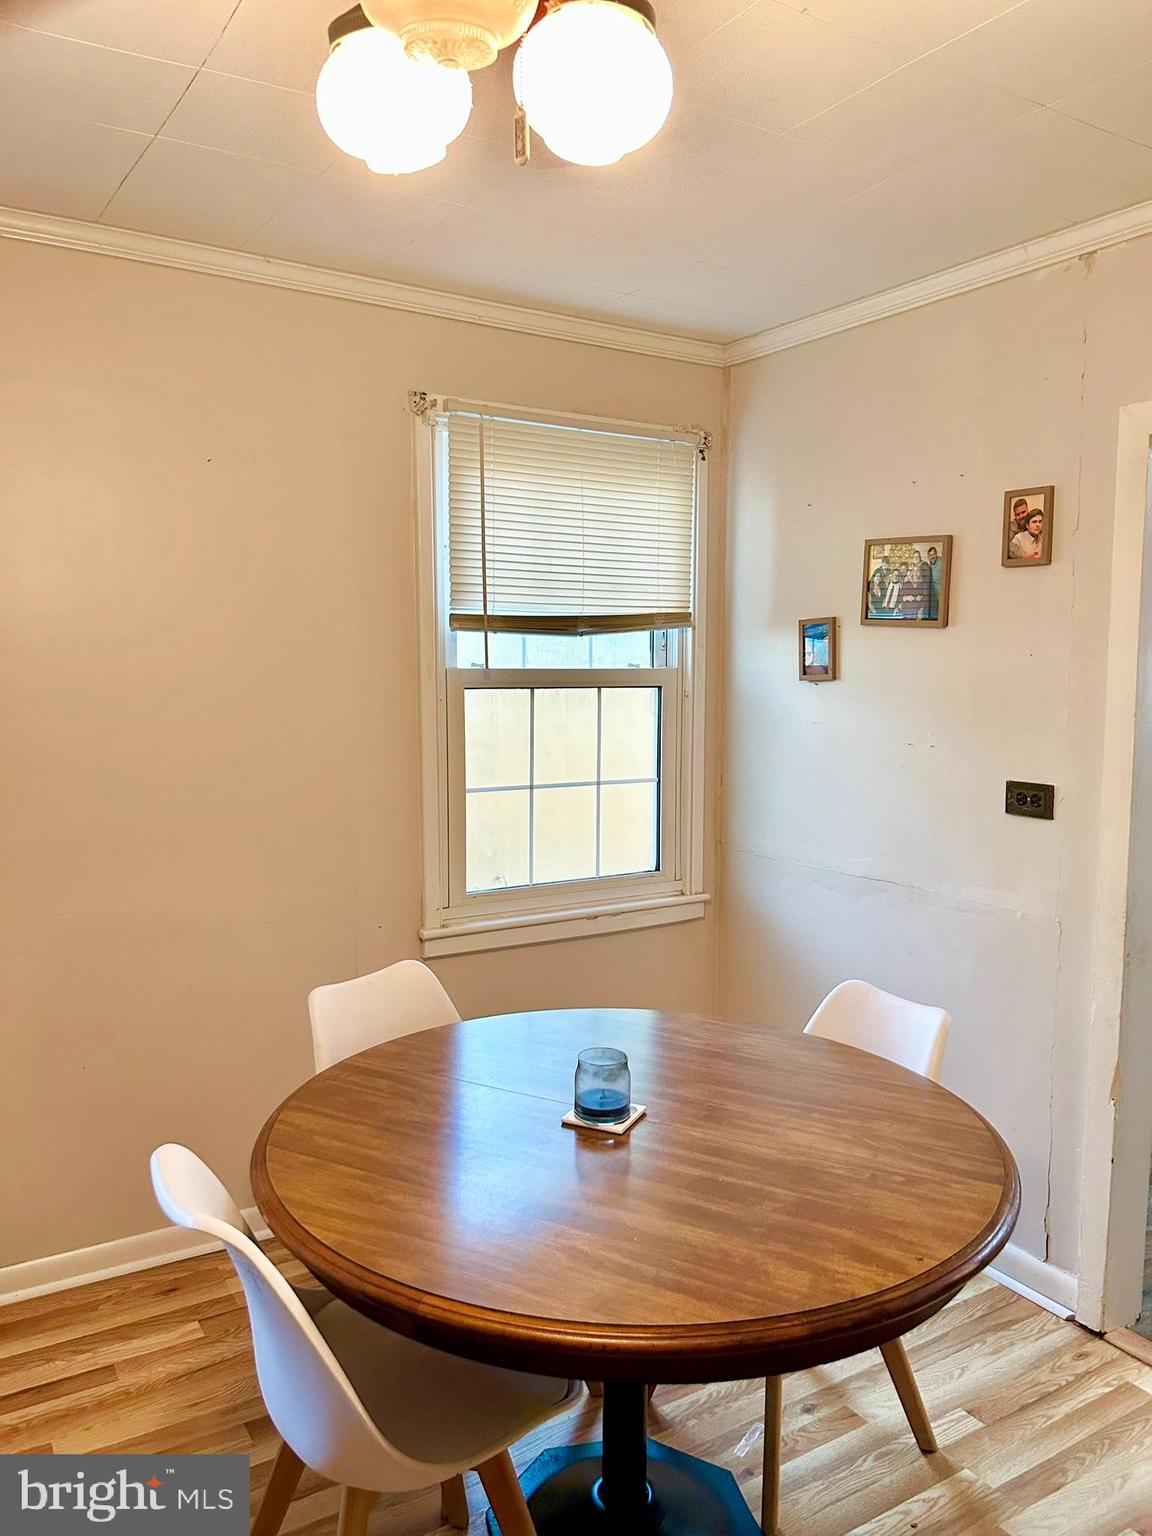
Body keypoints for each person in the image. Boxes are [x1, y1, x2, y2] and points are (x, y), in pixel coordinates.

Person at [901, 549, 930, 619]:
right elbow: (900, 596)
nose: (915, 573)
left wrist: (921, 609)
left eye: (918, 571)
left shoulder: (923, 584)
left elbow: (926, 598)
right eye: (914, 571)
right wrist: (906, 598)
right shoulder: (907, 583)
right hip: (906, 613)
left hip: (917, 612)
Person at [925, 545, 942, 619]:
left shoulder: (942, 563)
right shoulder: (928, 567)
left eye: (934, 554)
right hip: (933, 599)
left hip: (941, 597)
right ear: (928, 557)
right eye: (930, 555)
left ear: (936, 554)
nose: (932, 557)